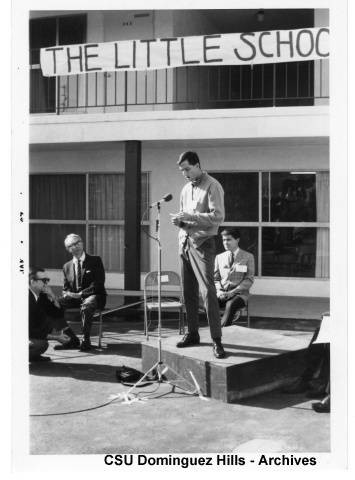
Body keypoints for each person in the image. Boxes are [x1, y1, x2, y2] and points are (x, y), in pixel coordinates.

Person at [170, 151, 226, 358]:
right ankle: (192, 333)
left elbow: (218, 216)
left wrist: (190, 217)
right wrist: (180, 222)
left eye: (187, 169)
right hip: (185, 242)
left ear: (197, 165)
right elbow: (187, 219)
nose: (184, 173)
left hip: (203, 243)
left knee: (208, 292)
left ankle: (216, 340)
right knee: (188, 292)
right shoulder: (185, 188)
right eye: (182, 170)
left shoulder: (213, 185)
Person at [60, 234, 107, 351]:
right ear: (68, 249)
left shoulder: (95, 260)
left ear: (82, 243)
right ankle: (71, 339)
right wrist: (66, 294)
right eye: (72, 245)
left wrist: (80, 294)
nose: (76, 246)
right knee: (52, 305)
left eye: (78, 242)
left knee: (87, 305)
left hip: (94, 296)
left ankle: (86, 340)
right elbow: (66, 288)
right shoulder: (66, 266)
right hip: (75, 299)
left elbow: (98, 284)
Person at [29, 267, 80, 362]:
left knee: (53, 319)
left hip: (35, 329)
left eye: (47, 280)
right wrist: (56, 337)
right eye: (44, 280)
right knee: (41, 344)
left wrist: (52, 296)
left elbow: (58, 314)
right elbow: (29, 331)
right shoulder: (24, 298)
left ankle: (71, 339)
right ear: (33, 282)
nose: (46, 283)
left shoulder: (42, 296)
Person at [214, 228, 254, 327]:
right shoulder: (219, 257)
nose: (225, 243)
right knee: (209, 303)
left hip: (239, 294)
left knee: (231, 305)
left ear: (237, 240)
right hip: (222, 293)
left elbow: (249, 279)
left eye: (229, 239)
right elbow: (215, 278)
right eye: (223, 240)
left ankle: (221, 331)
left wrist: (233, 292)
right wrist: (219, 292)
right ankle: (217, 328)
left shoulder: (248, 257)